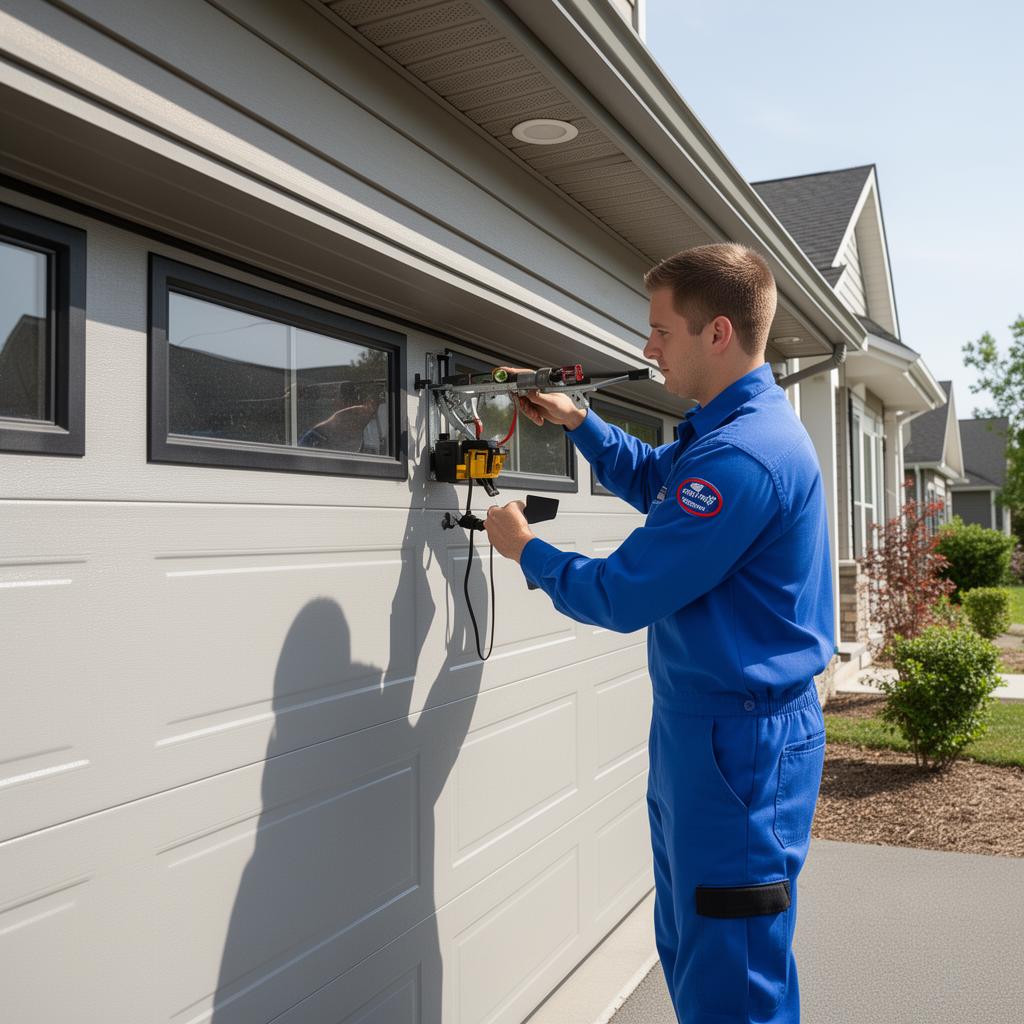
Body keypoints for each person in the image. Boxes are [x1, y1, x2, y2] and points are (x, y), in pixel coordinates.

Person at [484, 242, 834, 1024]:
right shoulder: (726, 430)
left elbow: (623, 591)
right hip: (704, 732)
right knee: (695, 944)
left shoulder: (742, 455)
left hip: (739, 745)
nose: (647, 349)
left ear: (716, 333)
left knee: (733, 973)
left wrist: (525, 549)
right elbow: (661, 482)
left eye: (660, 331)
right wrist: (582, 423)